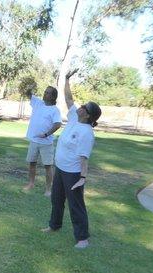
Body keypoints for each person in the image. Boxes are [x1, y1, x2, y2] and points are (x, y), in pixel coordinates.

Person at [42, 70, 102, 249]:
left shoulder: (87, 133)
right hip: (60, 168)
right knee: (57, 199)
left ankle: (82, 238)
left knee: (76, 205)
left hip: (73, 174)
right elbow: (68, 99)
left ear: (89, 116)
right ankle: (54, 225)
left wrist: (82, 179)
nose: (81, 107)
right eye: (83, 105)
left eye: (85, 107)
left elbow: (84, 159)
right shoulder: (75, 118)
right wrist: (67, 80)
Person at [23, 84, 62, 196]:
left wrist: (46, 134)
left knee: (48, 166)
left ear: (53, 97)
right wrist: (30, 87)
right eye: (45, 91)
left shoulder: (55, 110)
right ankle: (31, 184)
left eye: (47, 92)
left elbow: (58, 124)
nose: (44, 93)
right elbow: (28, 94)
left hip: (46, 143)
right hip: (34, 141)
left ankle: (48, 189)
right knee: (32, 163)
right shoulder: (38, 103)